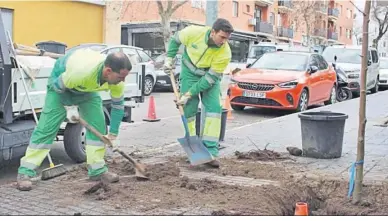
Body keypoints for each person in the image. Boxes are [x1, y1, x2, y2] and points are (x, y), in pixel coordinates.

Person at [16, 48, 132, 191]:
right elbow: (58, 86)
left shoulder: (117, 82)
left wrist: (113, 134)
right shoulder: (81, 72)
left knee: (98, 126)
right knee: (46, 129)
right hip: (60, 85)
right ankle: (25, 172)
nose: (123, 81)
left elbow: (118, 107)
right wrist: (69, 107)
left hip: (86, 90)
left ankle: (97, 170)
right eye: (121, 77)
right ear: (108, 71)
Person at [163, 18, 234, 168]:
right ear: (213, 32)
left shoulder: (225, 52)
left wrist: (189, 93)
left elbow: (209, 80)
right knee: (188, 108)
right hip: (189, 72)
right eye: (222, 37)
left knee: (214, 109)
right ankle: (194, 148)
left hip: (209, 76)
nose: (224, 41)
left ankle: (210, 152)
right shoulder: (193, 32)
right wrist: (169, 58)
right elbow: (176, 41)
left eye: (227, 39)